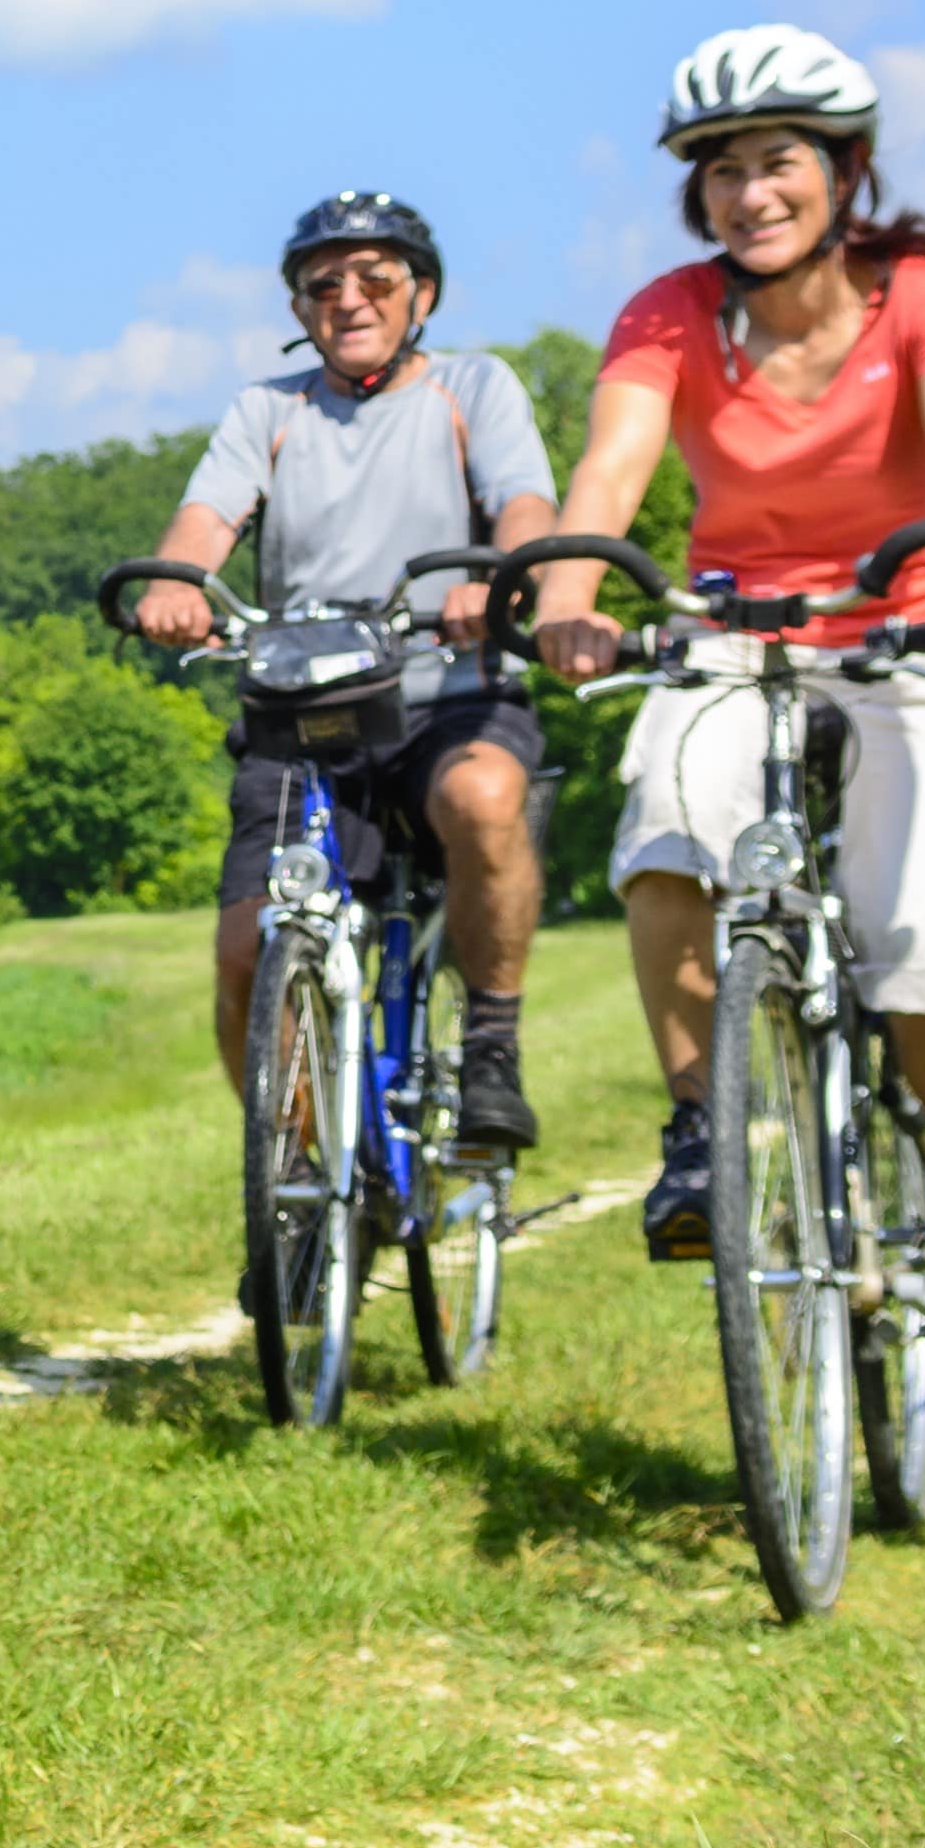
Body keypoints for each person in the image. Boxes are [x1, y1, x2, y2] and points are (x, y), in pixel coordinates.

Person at [526, 25, 925, 1364]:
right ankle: (702, 1129)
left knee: (913, 929)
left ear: (841, 170)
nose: (748, 193)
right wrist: (569, 597)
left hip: (918, 628)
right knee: (662, 829)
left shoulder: (922, 285)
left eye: (777, 162)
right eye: (718, 170)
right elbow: (609, 470)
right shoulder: (668, 310)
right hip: (734, 624)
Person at [127, 192, 562, 1151]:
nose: (349, 300)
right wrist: (178, 586)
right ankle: (298, 1180)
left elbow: (523, 502)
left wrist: (504, 580)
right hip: (304, 714)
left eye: (377, 280)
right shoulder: (268, 410)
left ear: (423, 296)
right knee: (246, 951)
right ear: (298, 311)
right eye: (323, 286)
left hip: (450, 693)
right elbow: (205, 523)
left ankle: (491, 1045)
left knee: (488, 798)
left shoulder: (473, 388)